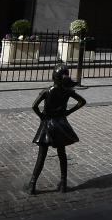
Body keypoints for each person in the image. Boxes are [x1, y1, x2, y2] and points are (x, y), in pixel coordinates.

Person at [28, 65, 87, 193]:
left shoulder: (47, 91)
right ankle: (63, 183)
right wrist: (69, 112)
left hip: (47, 124)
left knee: (41, 156)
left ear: (54, 77)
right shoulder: (67, 91)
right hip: (61, 124)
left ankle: (32, 184)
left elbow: (34, 106)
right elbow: (82, 101)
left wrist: (41, 116)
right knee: (62, 154)